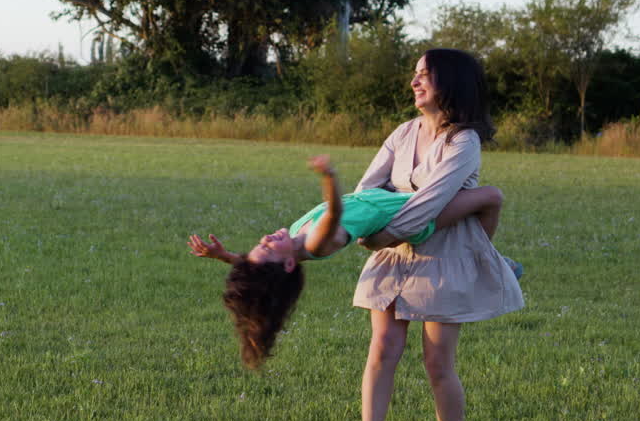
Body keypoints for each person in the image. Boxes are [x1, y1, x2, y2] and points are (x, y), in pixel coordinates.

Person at [352, 47, 524, 421]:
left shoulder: (463, 141)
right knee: (383, 347)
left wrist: (377, 234)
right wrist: (360, 224)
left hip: (443, 259)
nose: (415, 81)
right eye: (414, 74)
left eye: (425, 74)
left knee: (437, 361)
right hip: (395, 255)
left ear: (451, 83)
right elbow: (366, 192)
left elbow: (426, 207)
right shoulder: (403, 132)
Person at [187, 154, 510, 370]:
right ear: (287, 265)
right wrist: (328, 176)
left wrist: (225, 256)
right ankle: (485, 265)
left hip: (392, 199)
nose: (266, 238)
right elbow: (336, 214)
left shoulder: (294, 241)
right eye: (269, 247)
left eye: (260, 244)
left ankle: (486, 260)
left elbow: (260, 269)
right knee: (491, 197)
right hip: (414, 217)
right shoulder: (318, 242)